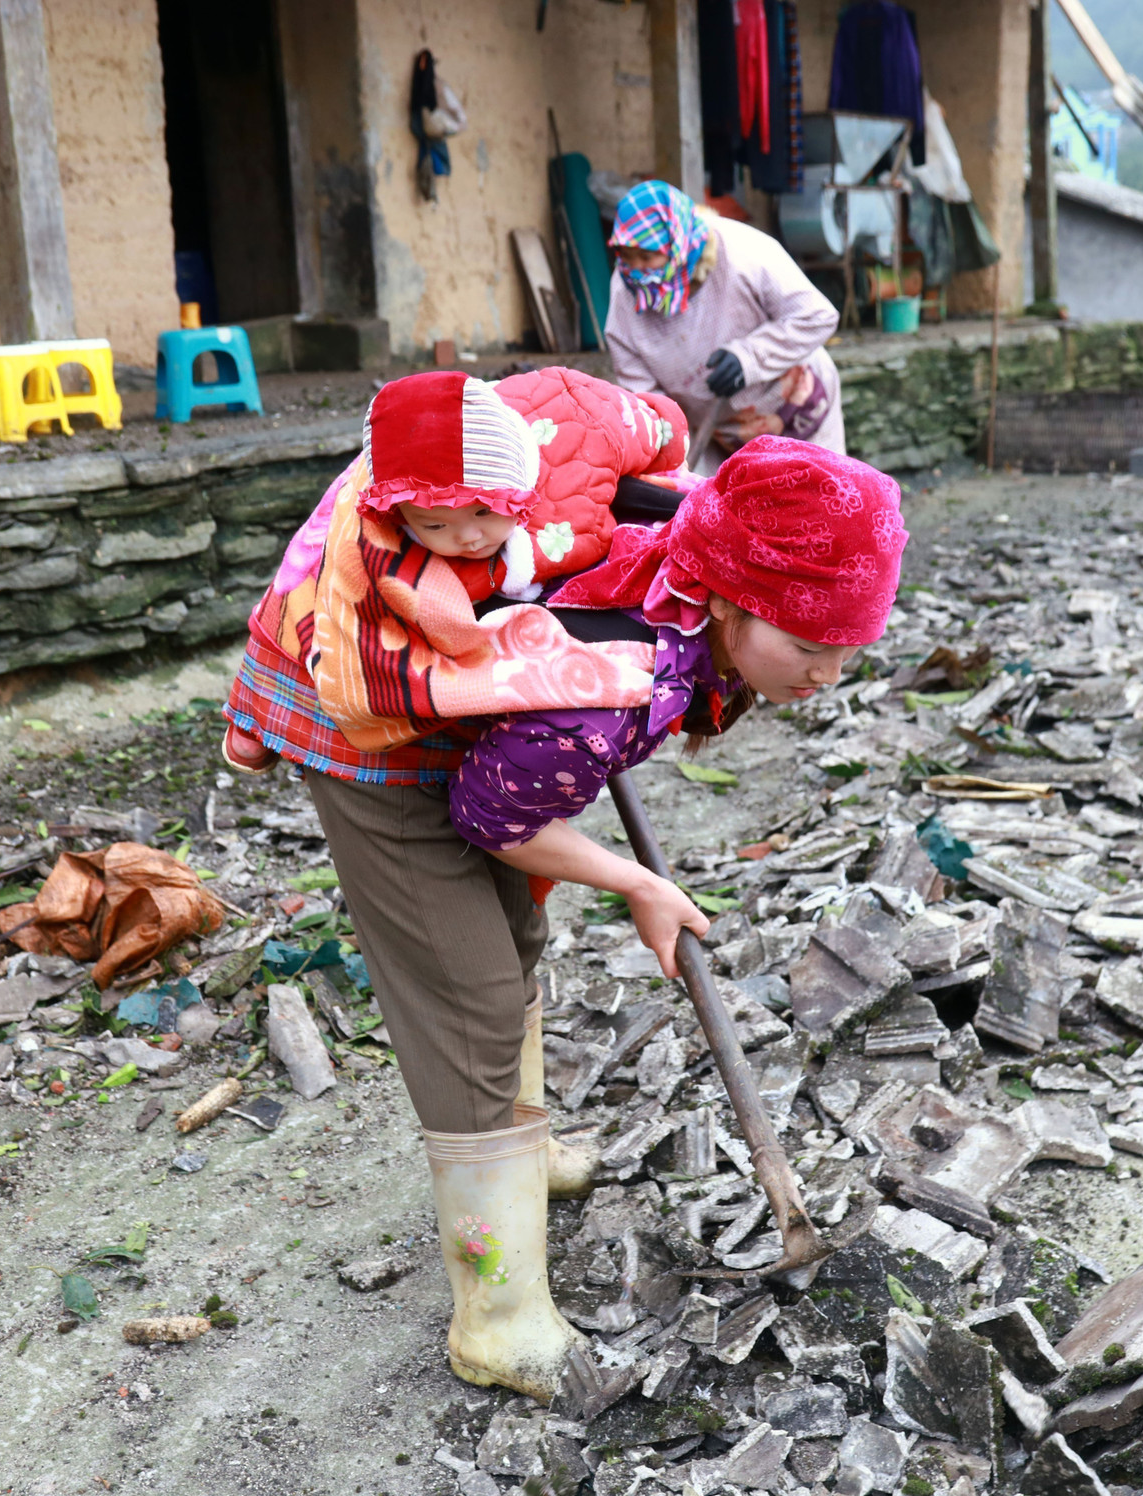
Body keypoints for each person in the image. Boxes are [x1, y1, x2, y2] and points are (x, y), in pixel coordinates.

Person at [223, 376, 907, 1405]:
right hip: (368, 728)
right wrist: (635, 881)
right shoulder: (611, 682)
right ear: (723, 596)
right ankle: (494, 1317)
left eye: (846, 653)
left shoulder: (685, 542)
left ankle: (520, 1155)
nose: (824, 676)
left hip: (481, 717)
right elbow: (493, 819)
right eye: (808, 646)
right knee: (470, 999)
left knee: (512, 936)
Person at [604, 180, 843, 470]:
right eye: (628, 258)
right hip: (724, 435)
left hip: (801, 407)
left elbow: (817, 316)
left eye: (647, 257)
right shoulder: (624, 297)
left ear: (678, 243)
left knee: (819, 506)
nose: (637, 269)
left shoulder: (745, 252)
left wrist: (749, 357)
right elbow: (644, 399)